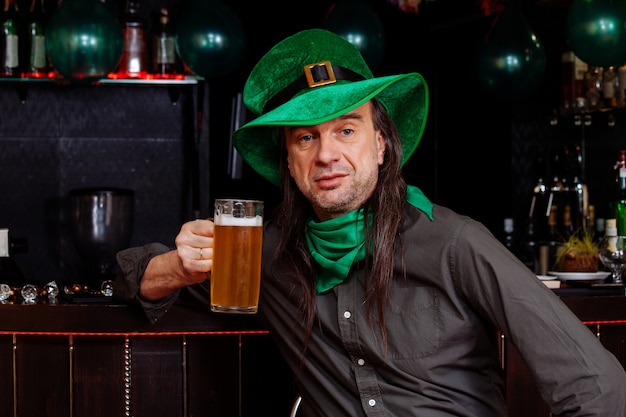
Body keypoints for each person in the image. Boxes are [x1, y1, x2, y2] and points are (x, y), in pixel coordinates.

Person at [114, 29, 626, 416]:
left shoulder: (454, 243)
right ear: (288, 164)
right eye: (306, 138)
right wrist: (177, 267)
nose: (327, 155)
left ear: (381, 146)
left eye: (346, 129)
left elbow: (597, 384)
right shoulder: (262, 256)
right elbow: (134, 283)